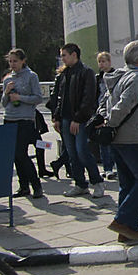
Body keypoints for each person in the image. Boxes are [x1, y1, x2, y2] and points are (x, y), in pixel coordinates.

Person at [99, 41, 138, 243]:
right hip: (132, 137)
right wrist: (111, 122)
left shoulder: (119, 76)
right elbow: (125, 104)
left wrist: (108, 124)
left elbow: (107, 102)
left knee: (128, 183)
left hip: (117, 138)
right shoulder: (137, 77)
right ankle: (123, 221)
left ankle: (128, 230)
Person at [53, 43, 104, 198]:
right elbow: (59, 98)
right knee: (71, 152)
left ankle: (97, 182)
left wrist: (78, 118)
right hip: (66, 119)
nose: (62, 59)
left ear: (74, 54)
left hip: (80, 120)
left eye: (64, 55)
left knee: (82, 151)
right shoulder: (64, 74)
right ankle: (80, 184)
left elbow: (88, 99)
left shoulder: (86, 72)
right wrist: (56, 117)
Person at [1, 48, 44, 199]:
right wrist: (6, 92)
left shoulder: (31, 76)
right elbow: (4, 103)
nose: (13, 64)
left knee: (22, 153)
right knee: (14, 155)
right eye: (10, 61)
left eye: (15, 61)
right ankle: (23, 186)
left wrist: (20, 97)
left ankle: (36, 184)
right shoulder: (8, 79)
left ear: (23, 61)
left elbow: (38, 98)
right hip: (9, 118)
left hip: (25, 119)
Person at [95, 51, 117, 180]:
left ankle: (114, 167)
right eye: (100, 62)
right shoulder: (98, 77)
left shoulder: (115, 75)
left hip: (112, 110)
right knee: (102, 141)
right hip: (101, 111)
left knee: (113, 141)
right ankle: (106, 167)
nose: (102, 64)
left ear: (109, 62)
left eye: (104, 61)